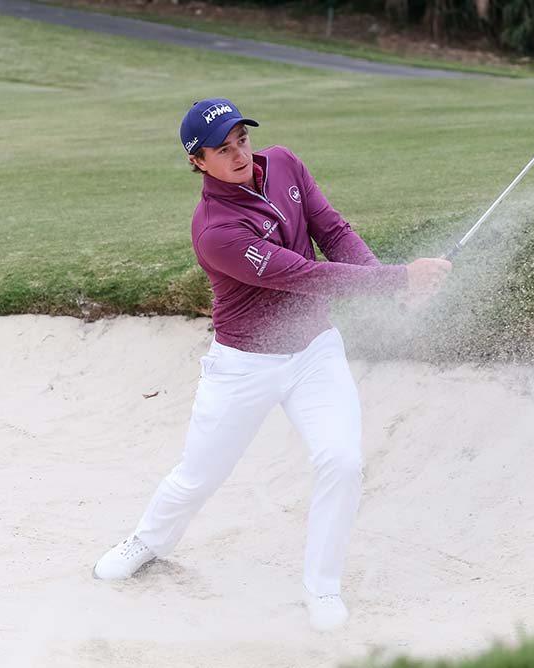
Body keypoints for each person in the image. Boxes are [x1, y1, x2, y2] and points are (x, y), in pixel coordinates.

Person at [93, 98, 452, 632]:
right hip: (244, 366)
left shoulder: (284, 162)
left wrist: (386, 283)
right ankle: (148, 540)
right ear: (199, 161)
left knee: (343, 461)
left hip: (314, 352)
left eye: (242, 138)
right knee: (198, 475)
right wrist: (400, 279)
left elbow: (332, 231)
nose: (239, 153)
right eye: (223, 148)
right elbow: (303, 274)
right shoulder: (215, 230)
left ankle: (322, 587)